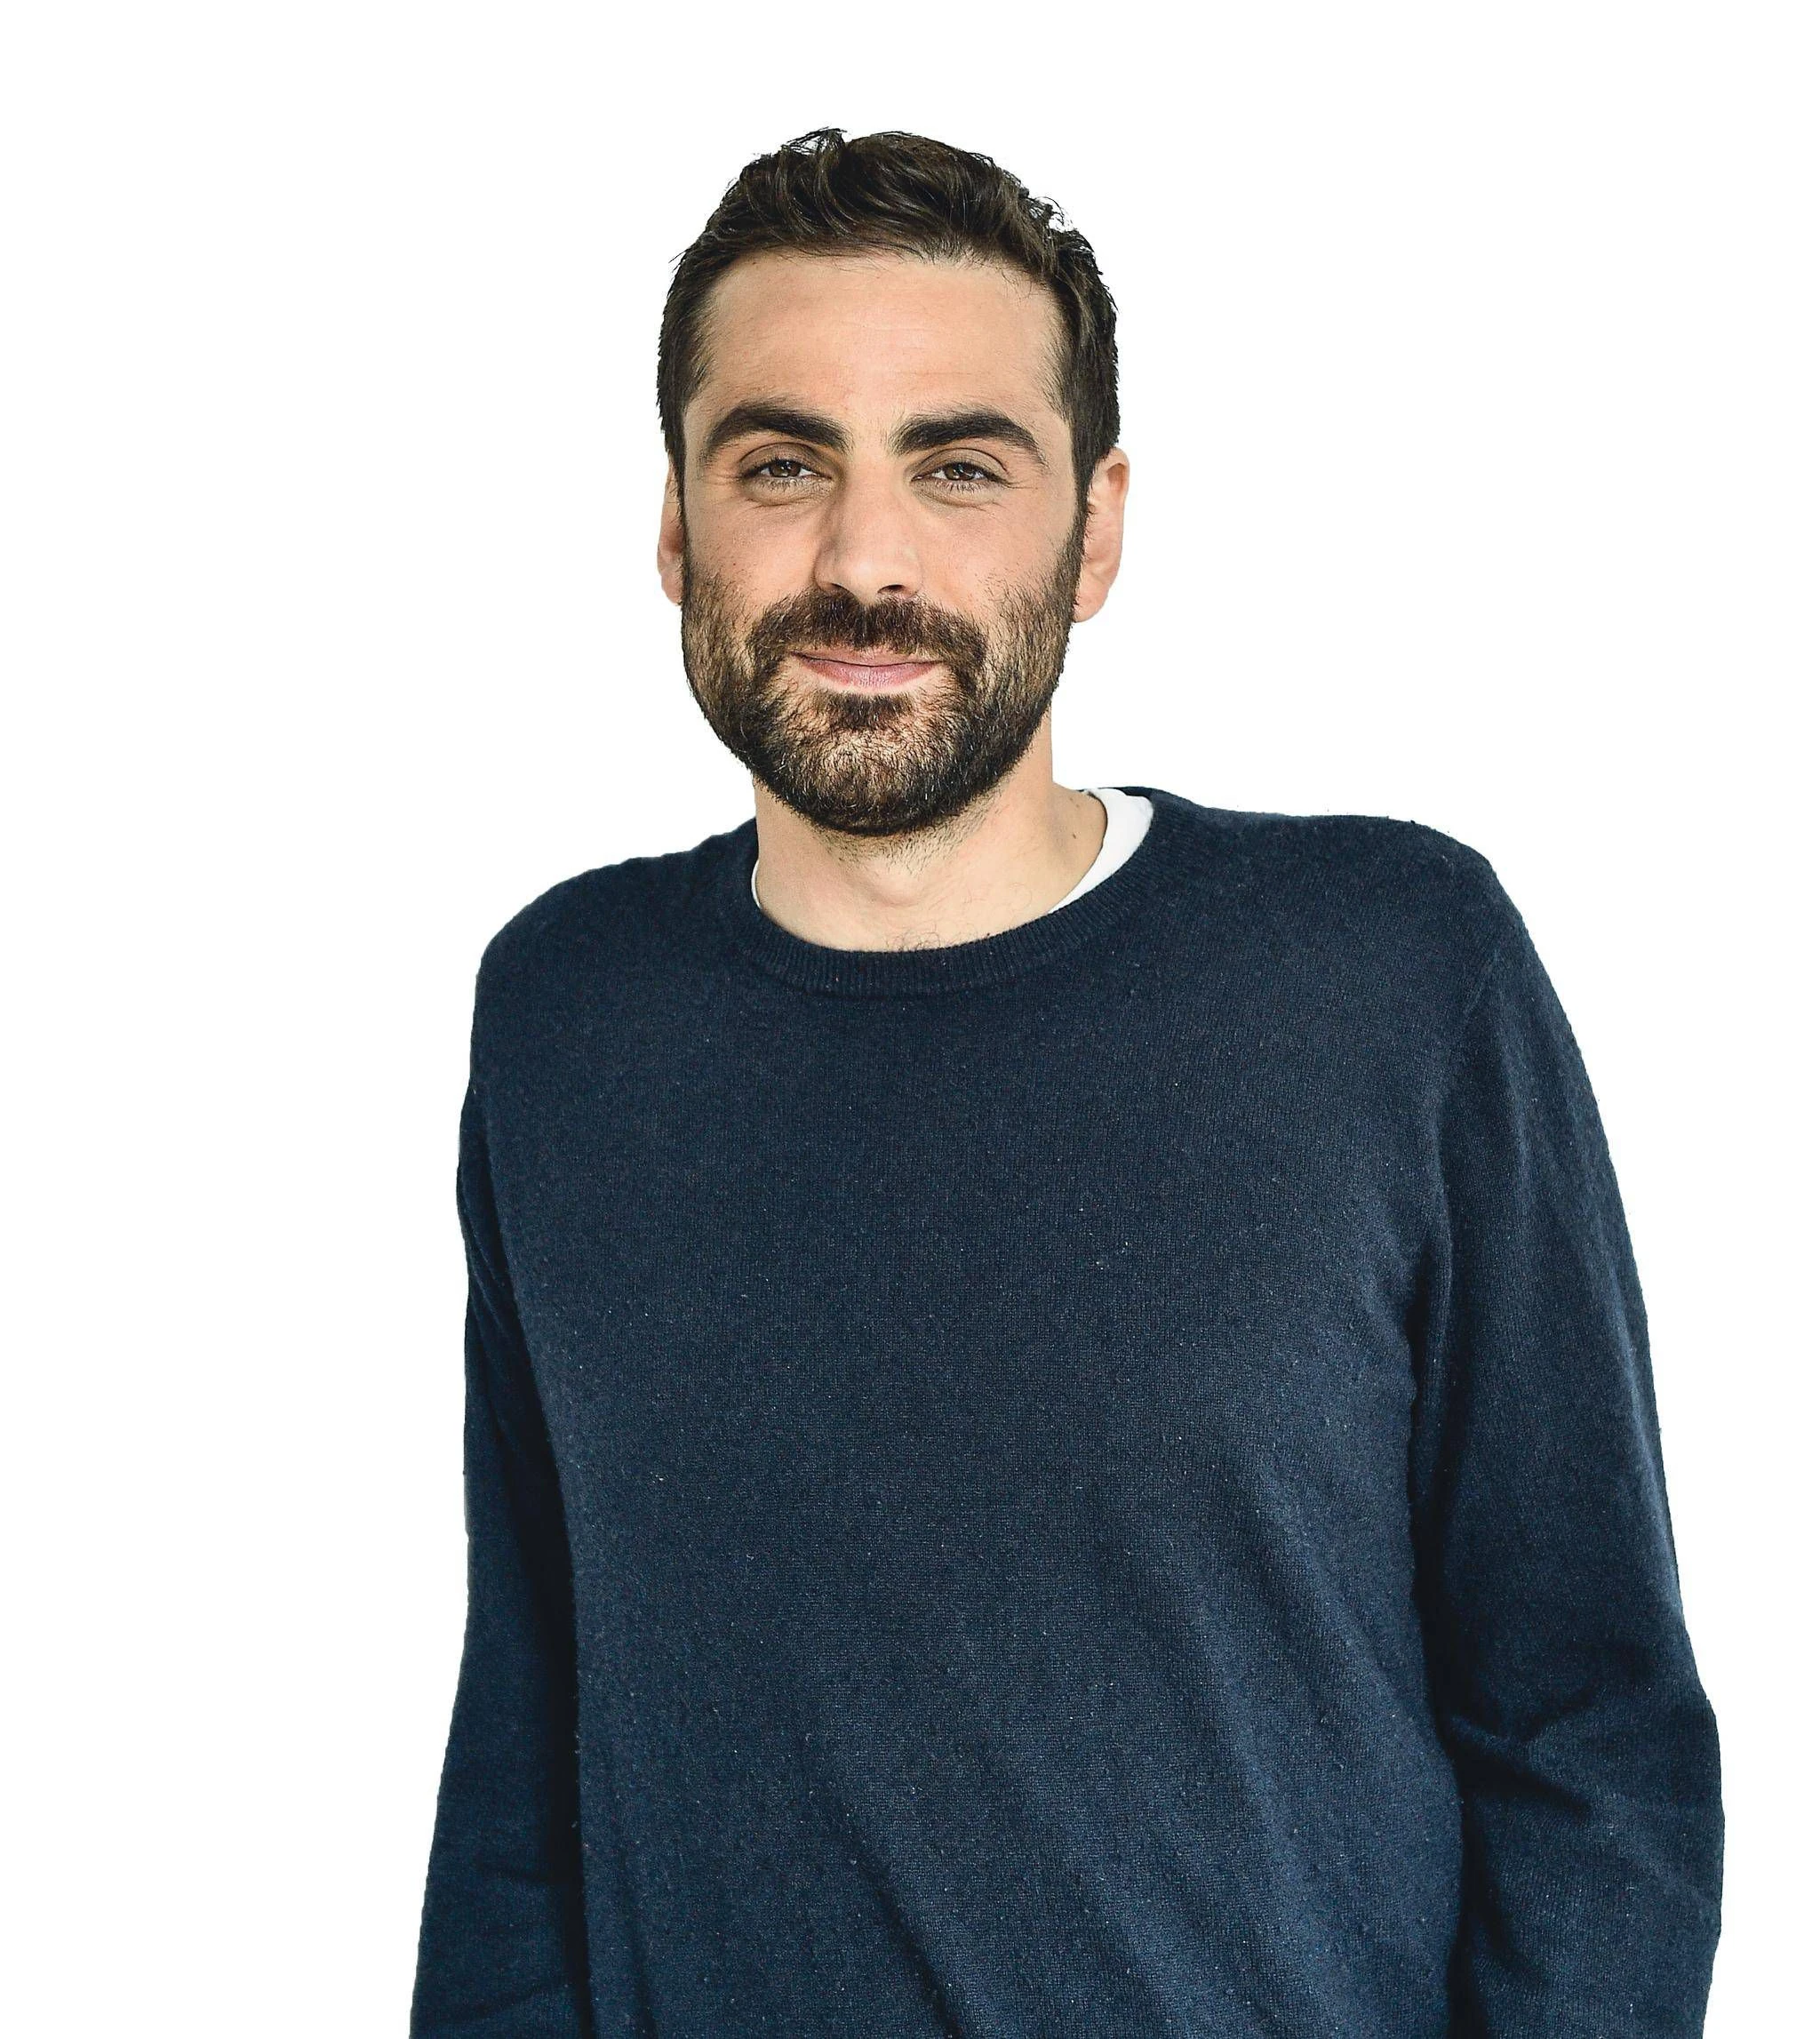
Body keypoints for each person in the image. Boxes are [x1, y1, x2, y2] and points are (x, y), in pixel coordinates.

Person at [409, 128, 1723, 2037]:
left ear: (1094, 530)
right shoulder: (567, 1016)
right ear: (675, 527)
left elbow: (1591, 1726)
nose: (864, 560)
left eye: (959, 467)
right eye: (781, 466)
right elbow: (526, 1761)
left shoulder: (1390, 972)